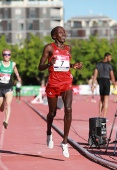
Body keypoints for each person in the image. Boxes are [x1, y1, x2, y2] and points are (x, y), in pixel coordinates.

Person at [38, 26, 82, 158]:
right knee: (52, 113)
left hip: (66, 83)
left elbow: (66, 64)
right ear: (54, 36)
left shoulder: (68, 48)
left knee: (68, 108)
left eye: (64, 32)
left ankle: (65, 141)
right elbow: (40, 67)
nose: (64, 34)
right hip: (53, 84)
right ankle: (49, 132)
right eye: (61, 32)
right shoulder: (49, 48)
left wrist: (74, 65)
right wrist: (49, 64)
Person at [0, 49, 21, 129]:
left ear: (10, 55)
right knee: (1, 108)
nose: (7, 56)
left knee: (8, 104)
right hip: (0, 88)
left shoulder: (13, 63)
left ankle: (6, 121)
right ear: (2, 55)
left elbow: (15, 68)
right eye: (5, 54)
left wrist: (17, 76)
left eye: (8, 54)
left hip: (8, 87)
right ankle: (2, 102)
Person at [91, 52, 116, 119]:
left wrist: (93, 84)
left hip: (101, 81)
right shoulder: (109, 65)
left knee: (101, 99)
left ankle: (100, 114)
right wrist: (114, 84)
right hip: (106, 81)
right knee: (106, 100)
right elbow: (112, 76)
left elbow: (95, 75)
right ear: (106, 57)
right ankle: (104, 117)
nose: (111, 59)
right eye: (110, 57)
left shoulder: (98, 65)